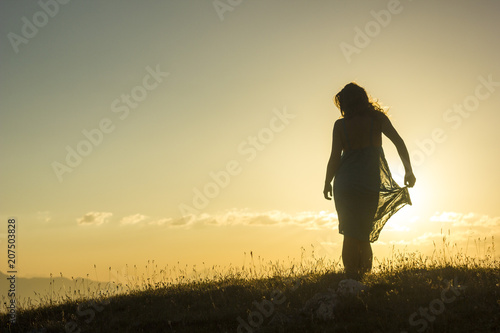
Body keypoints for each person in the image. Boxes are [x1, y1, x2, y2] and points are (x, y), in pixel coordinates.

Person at [323, 82, 416, 280]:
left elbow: (334, 157)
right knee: (363, 234)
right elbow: (399, 142)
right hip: (368, 184)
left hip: (345, 185)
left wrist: (327, 182)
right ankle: (364, 280)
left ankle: (350, 280)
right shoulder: (377, 119)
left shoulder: (340, 125)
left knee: (349, 233)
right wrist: (408, 171)